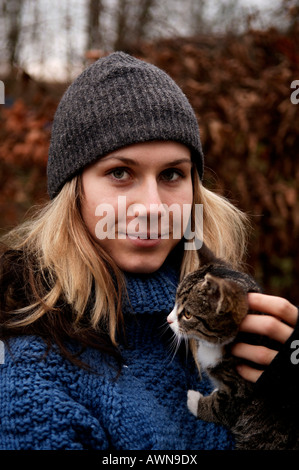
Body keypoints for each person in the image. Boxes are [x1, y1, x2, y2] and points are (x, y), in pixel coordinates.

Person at [0, 52, 298, 451]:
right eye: (120, 173)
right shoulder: (32, 377)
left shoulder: (237, 319)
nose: (154, 206)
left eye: (172, 174)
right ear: (74, 192)